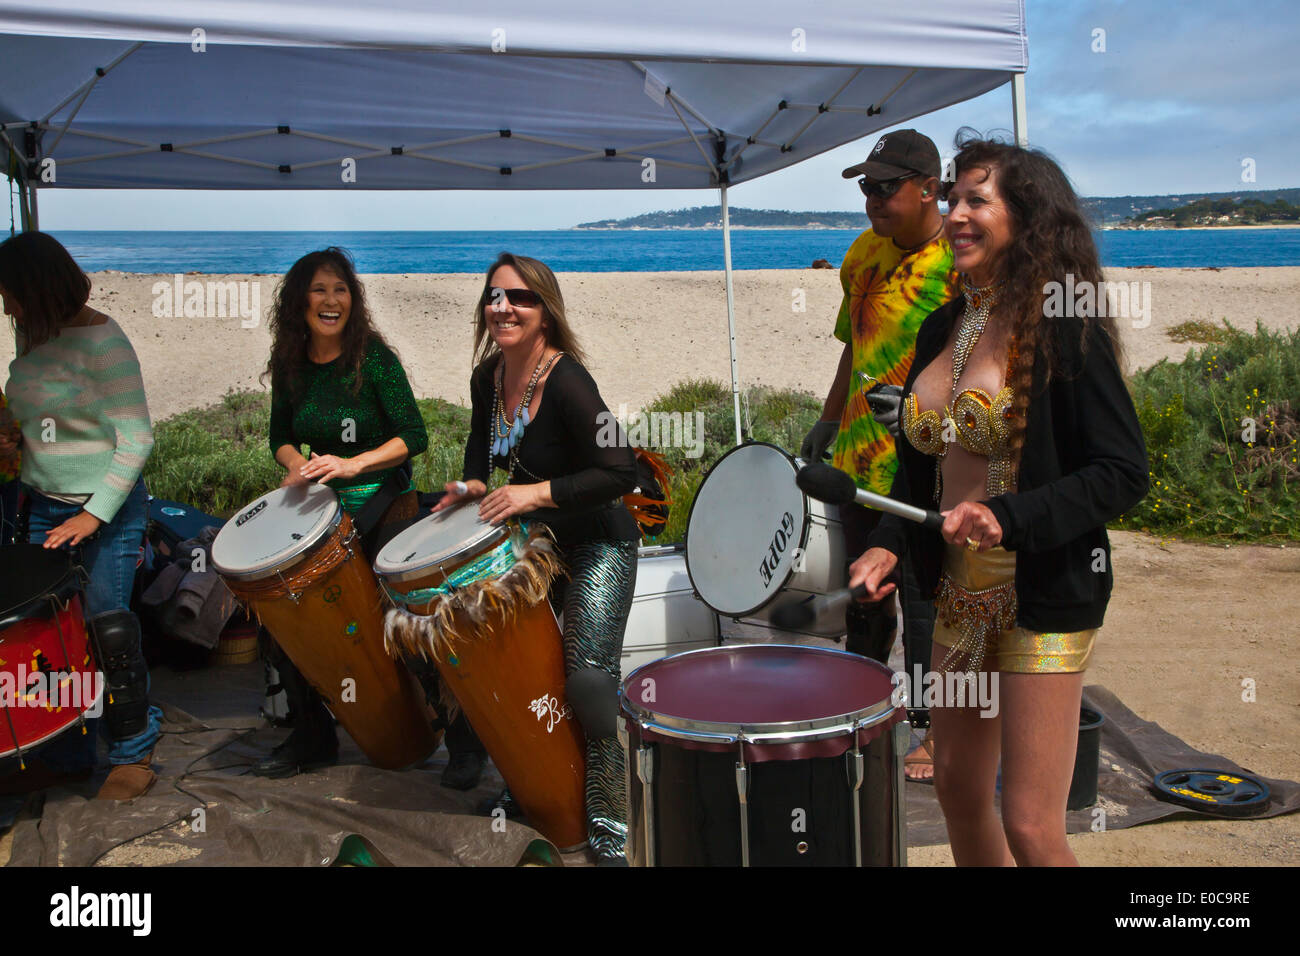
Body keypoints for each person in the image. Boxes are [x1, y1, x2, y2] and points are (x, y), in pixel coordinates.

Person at [848, 133, 1148, 866]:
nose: (955, 213)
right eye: (952, 197)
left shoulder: (1062, 326)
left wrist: (1008, 515)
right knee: (953, 783)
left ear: (1028, 217)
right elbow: (919, 463)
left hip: (1042, 592)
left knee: (1032, 824)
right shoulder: (943, 326)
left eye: (977, 199)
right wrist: (889, 538)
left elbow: (1121, 470)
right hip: (960, 594)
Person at [435, 252, 639, 865]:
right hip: (537, 549)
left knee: (586, 679)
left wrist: (535, 493)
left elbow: (621, 469)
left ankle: (611, 833)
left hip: (599, 542)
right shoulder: (487, 378)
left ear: (544, 310)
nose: (503, 308)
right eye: (494, 297)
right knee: (524, 673)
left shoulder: (569, 380)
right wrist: (473, 486)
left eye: (519, 298)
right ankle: (539, 790)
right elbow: (480, 444)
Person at [260, 247, 487, 788]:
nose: (331, 300)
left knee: (410, 622)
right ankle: (312, 735)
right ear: (299, 301)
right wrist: (296, 466)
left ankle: (462, 740)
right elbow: (279, 436)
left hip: (386, 502)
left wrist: (352, 462)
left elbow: (415, 435)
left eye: (340, 289)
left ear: (353, 300)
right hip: (319, 510)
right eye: (319, 289)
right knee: (288, 621)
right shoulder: (290, 362)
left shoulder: (373, 358)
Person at [800, 128, 959, 780]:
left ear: (929, 188)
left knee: (924, 600)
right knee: (867, 594)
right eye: (866, 186)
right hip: (860, 465)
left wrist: (933, 415)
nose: (872, 199)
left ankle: (930, 731)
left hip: (927, 462)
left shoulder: (960, 261)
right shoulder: (861, 254)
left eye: (885, 186)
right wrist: (829, 418)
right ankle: (865, 712)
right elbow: (853, 347)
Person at [0, 231, 163, 800]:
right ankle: (69, 752)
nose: (5, 308)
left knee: (106, 629)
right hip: (41, 505)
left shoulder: (105, 344)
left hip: (106, 512)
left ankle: (132, 752)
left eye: (11, 296)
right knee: (56, 640)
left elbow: (137, 439)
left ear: (37, 291)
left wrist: (93, 517)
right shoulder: (31, 333)